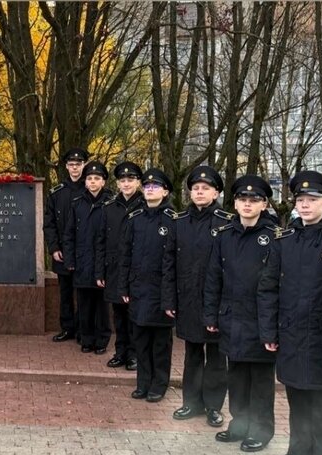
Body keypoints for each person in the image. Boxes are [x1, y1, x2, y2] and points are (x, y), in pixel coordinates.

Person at [258, 170, 322, 455]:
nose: (305, 205)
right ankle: (300, 450)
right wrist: (269, 330)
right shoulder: (285, 240)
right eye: (300, 200)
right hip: (291, 332)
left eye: (312, 200)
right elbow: (268, 287)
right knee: (296, 397)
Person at [204, 174, 278, 452]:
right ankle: (240, 424)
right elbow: (213, 278)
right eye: (243, 199)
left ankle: (260, 430)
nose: (248, 204)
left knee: (259, 380)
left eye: (254, 200)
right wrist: (211, 315)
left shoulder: (274, 237)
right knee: (235, 376)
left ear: (264, 204)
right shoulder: (224, 236)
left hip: (260, 320)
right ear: (235, 203)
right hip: (231, 318)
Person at [162, 166, 231, 427]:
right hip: (187, 299)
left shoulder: (226, 223)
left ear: (216, 192)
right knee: (191, 354)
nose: (199, 192)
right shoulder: (179, 222)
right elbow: (168, 264)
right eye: (195, 188)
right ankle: (191, 403)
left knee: (215, 357)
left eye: (205, 188)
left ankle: (213, 406)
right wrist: (169, 300)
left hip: (215, 302)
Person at [119, 169, 174, 402]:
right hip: (138, 290)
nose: (151, 190)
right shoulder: (135, 218)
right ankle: (143, 383)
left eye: (156, 186)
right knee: (140, 341)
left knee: (160, 343)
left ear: (165, 191)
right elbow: (125, 255)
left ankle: (159, 385)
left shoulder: (173, 220)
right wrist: (123, 287)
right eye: (148, 186)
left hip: (161, 291)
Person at [63, 161, 112, 354]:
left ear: (103, 182)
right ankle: (86, 338)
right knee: (84, 304)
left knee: (101, 306)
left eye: (97, 178)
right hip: (82, 262)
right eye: (90, 178)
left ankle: (101, 340)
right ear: (85, 182)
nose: (92, 182)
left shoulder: (110, 204)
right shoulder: (77, 204)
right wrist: (70, 260)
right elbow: (69, 234)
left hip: (102, 264)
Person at [99, 161, 143, 370]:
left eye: (130, 180)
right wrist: (101, 270)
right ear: (117, 183)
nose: (126, 184)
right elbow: (100, 241)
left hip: (136, 270)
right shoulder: (109, 208)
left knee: (133, 314)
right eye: (122, 180)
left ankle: (134, 354)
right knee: (118, 314)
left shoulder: (144, 206)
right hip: (115, 269)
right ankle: (120, 351)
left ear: (138, 182)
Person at [44, 147, 89, 343]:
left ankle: (83, 329)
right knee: (65, 292)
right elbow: (49, 223)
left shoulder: (91, 190)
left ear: (84, 165)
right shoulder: (57, 193)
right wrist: (54, 248)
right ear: (66, 167)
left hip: (86, 253)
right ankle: (67, 328)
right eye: (71, 165)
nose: (75, 169)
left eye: (78, 165)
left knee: (84, 294)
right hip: (62, 252)